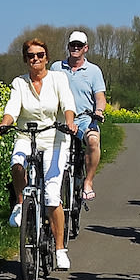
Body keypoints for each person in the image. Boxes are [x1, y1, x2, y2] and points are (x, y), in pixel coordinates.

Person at [0, 39, 78, 269]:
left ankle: (60, 248)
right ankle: (21, 204)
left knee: (52, 195)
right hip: (27, 136)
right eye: (31, 56)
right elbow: (12, 109)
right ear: (25, 59)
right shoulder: (19, 83)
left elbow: (67, 104)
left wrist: (70, 123)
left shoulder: (58, 79)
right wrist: (4, 123)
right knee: (17, 164)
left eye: (40, 55)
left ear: (47, 57)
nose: (36, 59)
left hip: (54, 139)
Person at [51, 30, 106, 200]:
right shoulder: (56, 68)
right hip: (61, 118)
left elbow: (100, 97)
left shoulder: (93, 71)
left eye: (79, 45)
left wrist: (99, 112)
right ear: (68, 47)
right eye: (73, 45)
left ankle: (88, 181)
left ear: (86, 48)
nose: (75, 48)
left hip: (84, 118)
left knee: (93, 141)